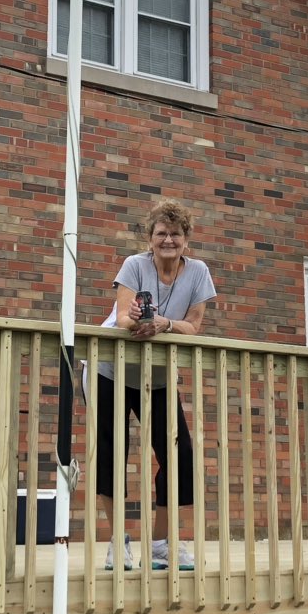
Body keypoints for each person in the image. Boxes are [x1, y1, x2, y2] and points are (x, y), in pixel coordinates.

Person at [92, 198, 216, 571]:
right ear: (150, 239)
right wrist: (134, 319)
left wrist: (164, 323)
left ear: (186, 240)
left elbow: (194, 326)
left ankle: (161, 544)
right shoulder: (134, 265)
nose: (168, 240)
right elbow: (122, 320)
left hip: (158, 376)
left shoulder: (197, 273)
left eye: (175, 234)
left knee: (179, 456)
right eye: (161, 233)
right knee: (112, 453)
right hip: (111, 370)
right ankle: (119, 544)